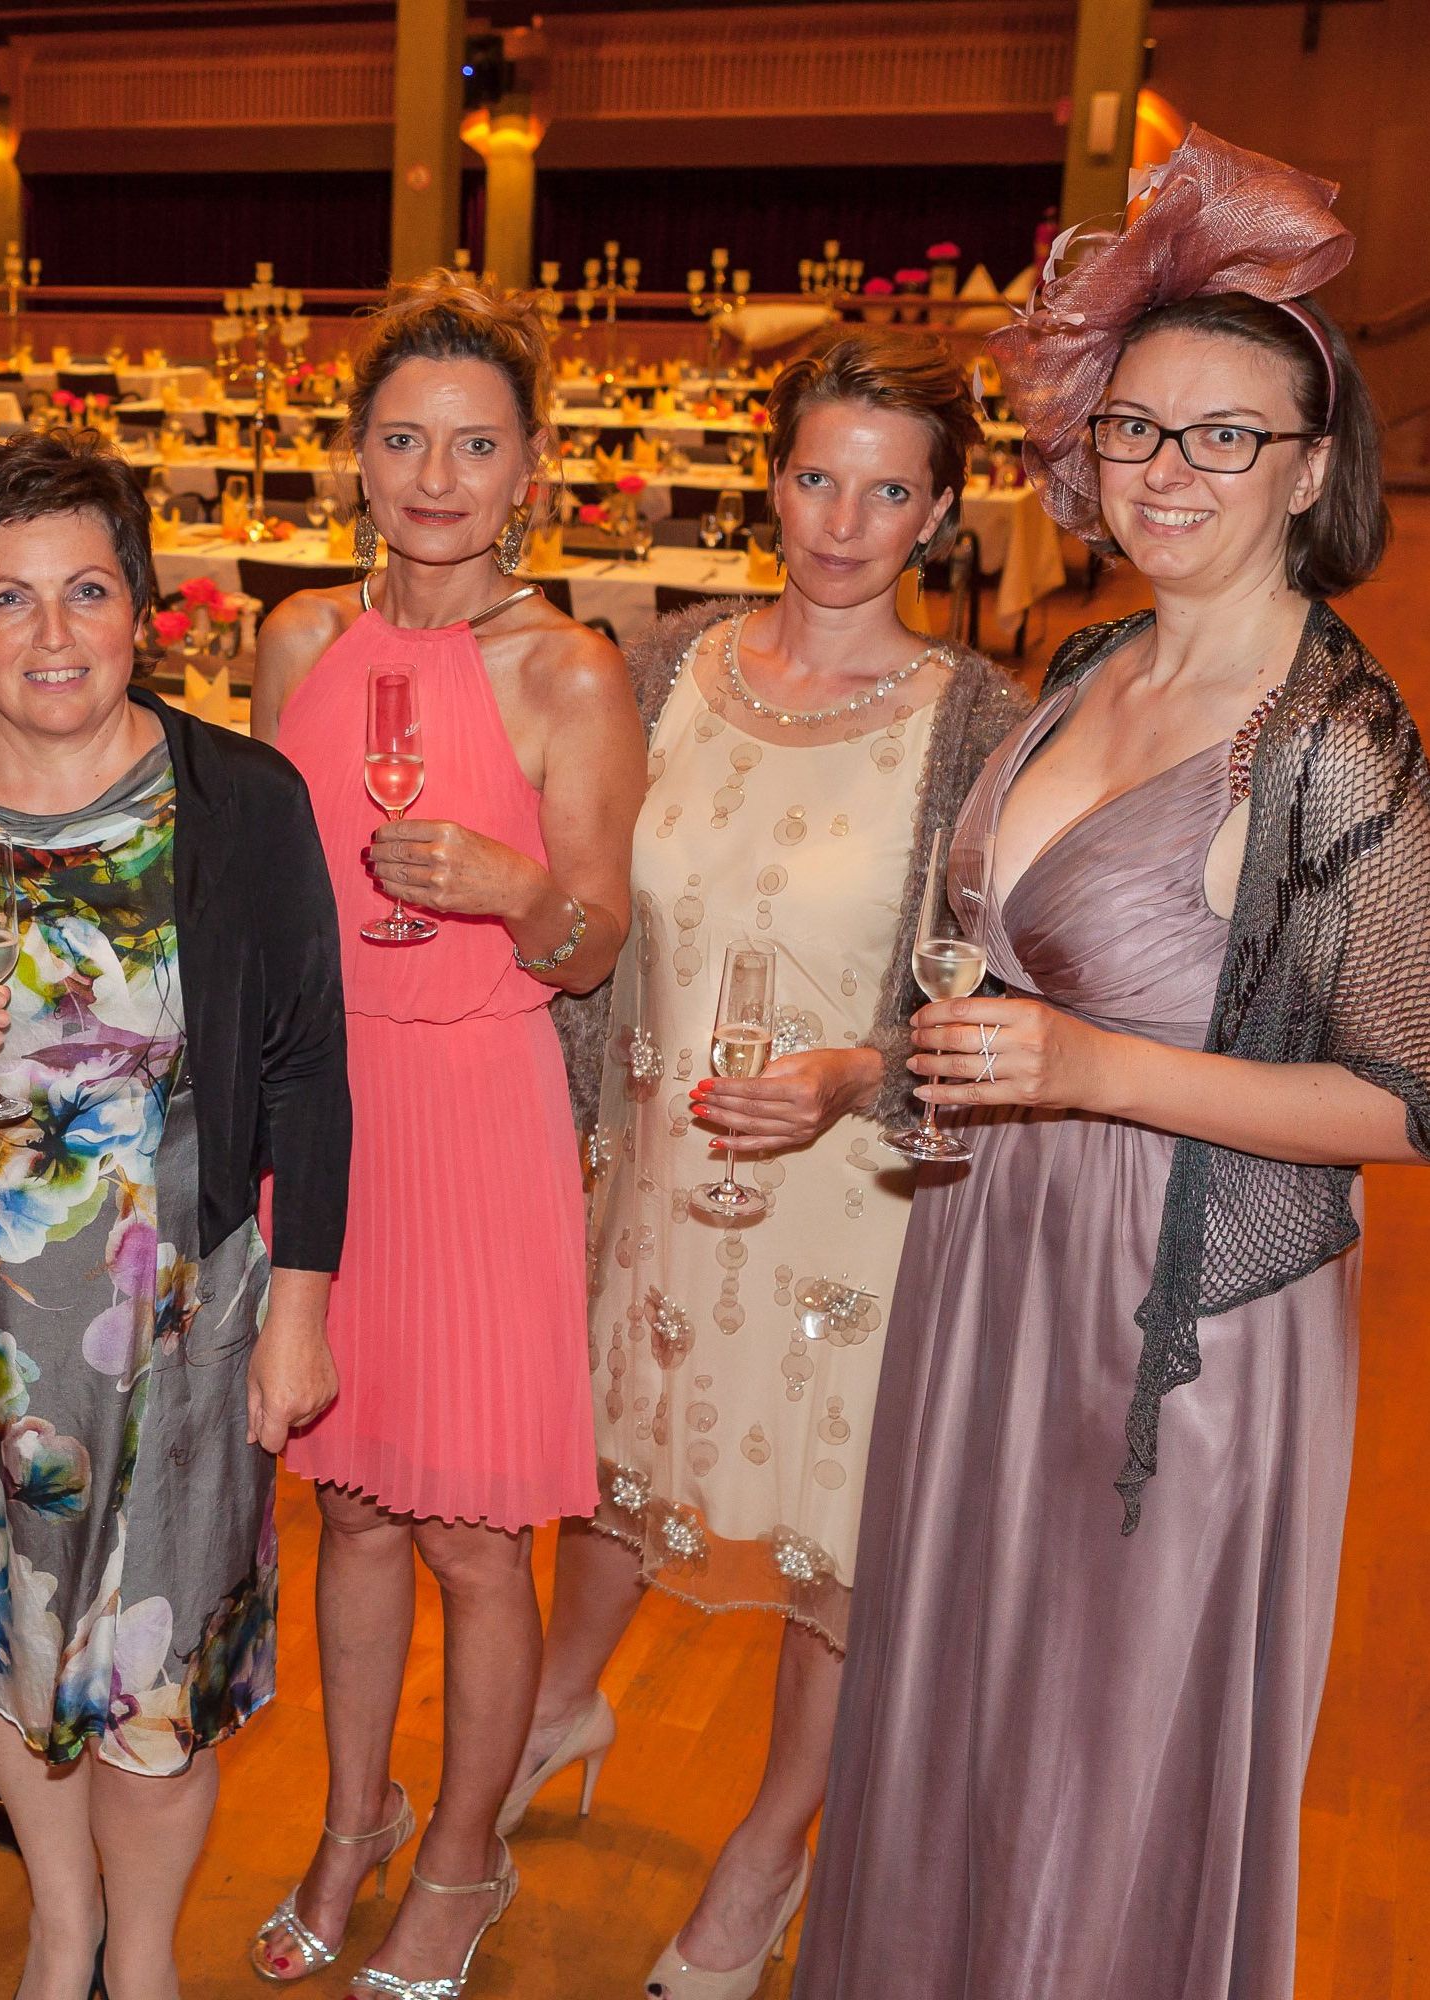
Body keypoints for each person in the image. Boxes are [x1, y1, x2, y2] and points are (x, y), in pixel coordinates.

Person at [797, 128, 1428, 2000]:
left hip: (1176, 1315)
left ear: (1308, 469)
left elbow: (1406, 1097)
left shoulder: (1331, 738)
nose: (1169, 471)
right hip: (990, 1261)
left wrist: (1087, 1066)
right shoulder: (1082, 664)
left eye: (1223, 436)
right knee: (965, 1706)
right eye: (1139, 429)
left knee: (1097, 1745)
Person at [0, 430, 348, 2000]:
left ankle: (147, 1960)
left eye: (88, 592)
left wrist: (298, 1310)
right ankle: (61, 1931)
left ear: (144, 610)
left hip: (174, 1317)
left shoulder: (236, 799)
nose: (53, 637)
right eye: (9, 600)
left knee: (154, 1676)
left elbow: (309, 1072)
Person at [521, 332, 1023, 2000]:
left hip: (849, 1201)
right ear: (772, 476)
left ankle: (763, 1857)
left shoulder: (983, 726)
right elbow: (577, 901)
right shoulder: (653, 667)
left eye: (889, 489)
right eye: (817, 475)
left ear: (941, 512)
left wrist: (857, 1072)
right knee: (610, 1461)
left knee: (834, 1545)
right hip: (648, 1163)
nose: (842, 519)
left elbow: (1003, 994)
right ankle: (551, 1711)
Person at [248, 268, 644, 1998]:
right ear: (353, 456)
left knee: (479, 1537)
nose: (434, 475)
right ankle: (353, 1822)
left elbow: (600, 943)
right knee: (346, 1508)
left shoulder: (569, 672)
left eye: (472, 444)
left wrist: (515, 893)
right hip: (331, 1110)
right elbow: (266, 904)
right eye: (401, 437)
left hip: (480, 1110)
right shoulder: (296, 644)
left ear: (529, 468)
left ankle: (464, 1862)